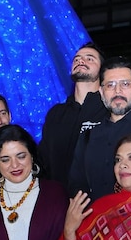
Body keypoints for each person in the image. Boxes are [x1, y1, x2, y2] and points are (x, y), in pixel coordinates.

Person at [66, 57, 131, 200]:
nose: (118, 91)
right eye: (110, 85)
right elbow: (76, 183)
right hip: (96, 218)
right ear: (101, 92)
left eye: (125, 84)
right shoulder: (89, 134)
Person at [39, 42, 108, 188]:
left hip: (102, 204)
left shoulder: (109, 111)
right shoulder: (56, 114)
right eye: (76, 59)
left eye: (90, 58)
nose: (81, 61)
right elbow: (43, 161)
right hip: (60, 203)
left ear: (102, 70)